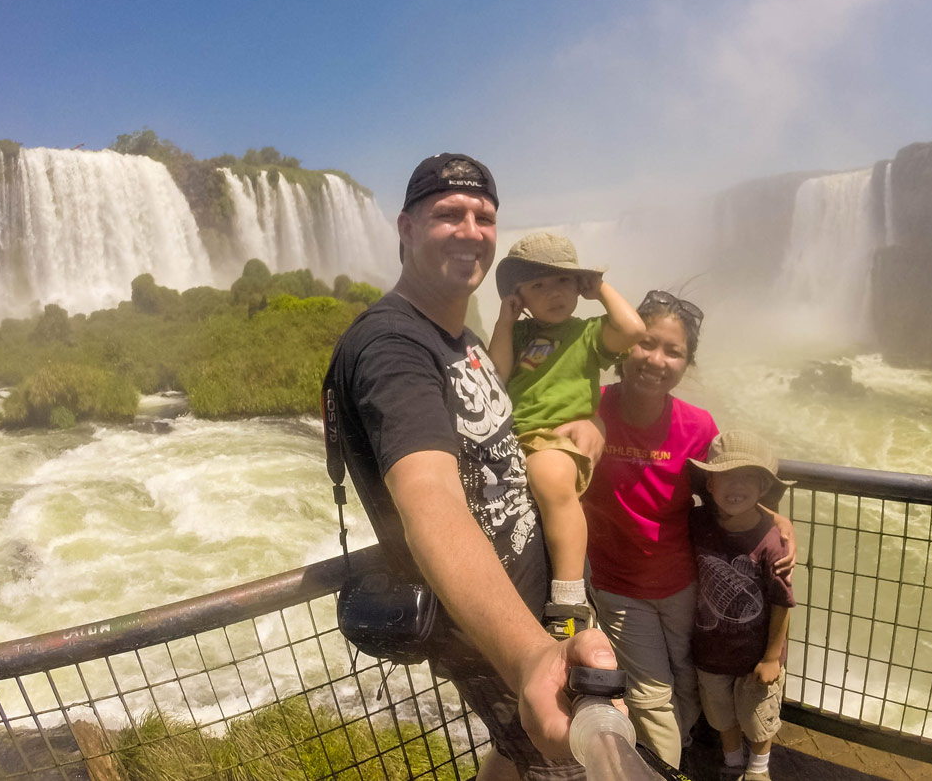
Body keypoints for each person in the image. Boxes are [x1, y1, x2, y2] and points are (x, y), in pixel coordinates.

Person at [325, 153, 616, 781]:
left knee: (515, 760)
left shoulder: (464, 342)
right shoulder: (392, 349)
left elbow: (502, 441)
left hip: (538, 607)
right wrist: (531, 656)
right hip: (498, 635)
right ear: (405, 228)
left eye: (483, 216)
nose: (470, 230)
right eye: (448, 214)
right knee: (559, 767)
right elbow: (430, 501)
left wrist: (587, 426)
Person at [582, 291, 796, 769]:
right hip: (618, 586)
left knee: (689, 678)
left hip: (685, 585)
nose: (656, 360)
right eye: (646, 343)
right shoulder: (591, 407)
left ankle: (677, 756)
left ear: (687, 362)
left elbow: (727, 494)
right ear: (624, 346)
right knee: (651, 695)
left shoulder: (697, 427)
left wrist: (777, 519)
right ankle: (666, 770)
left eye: (673, 351)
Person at [488, 232, 645, 636]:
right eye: (538, 285)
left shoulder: (588, 333)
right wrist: (506, 320)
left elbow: (632, 330)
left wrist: (602, 289)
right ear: (519, 296)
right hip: (517, 439)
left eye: (562, 281)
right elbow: (496, 373)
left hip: (558, 439)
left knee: (550, 480)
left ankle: (570, 597)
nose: (553, 293)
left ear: (579, 286)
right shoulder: (520, 335)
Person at [688, 430, 795, 781]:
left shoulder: (772, 543)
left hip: (755, 655)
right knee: (720, 714)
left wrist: (770, 657)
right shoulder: (698, 521)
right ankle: (732, 762)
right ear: (709, 483)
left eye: (748, 477)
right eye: (726, 476)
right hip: (710, 649)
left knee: (757, 716)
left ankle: (758, 769)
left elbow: (782, 603)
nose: (736, 487)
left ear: (764, 488)